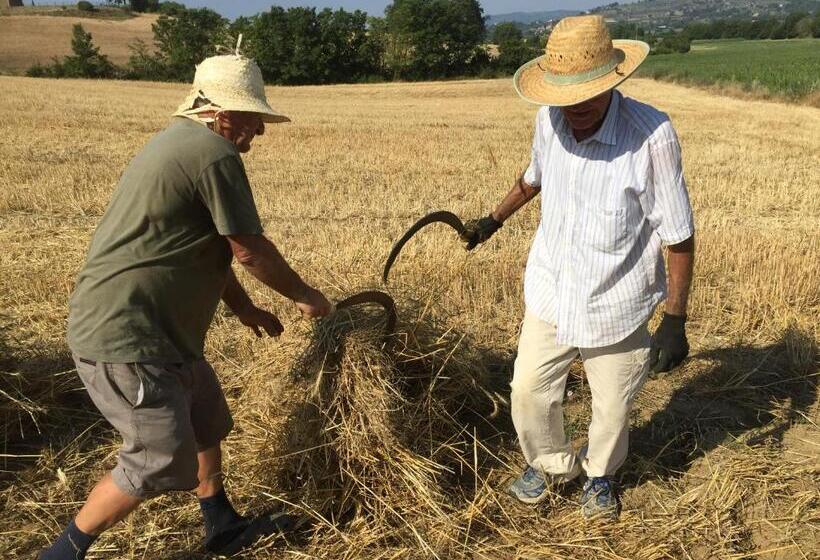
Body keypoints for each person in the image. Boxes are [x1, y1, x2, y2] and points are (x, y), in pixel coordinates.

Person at [39, 48, 333, 560]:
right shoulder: (212, 153)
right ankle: (61, 553)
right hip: (127, 335)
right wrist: (307, 297)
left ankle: (219, 521)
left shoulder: (183, 144)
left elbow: (203, 247)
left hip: (162, 331)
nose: (258, 132)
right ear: (218, 114)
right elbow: (247, 248)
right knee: (157, 461)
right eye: (251, 118)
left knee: (206, 420)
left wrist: (244, 309)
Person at [461, 15, 695, 519]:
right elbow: (533, 179)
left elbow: (678, 235)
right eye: (565, 100)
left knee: (613, 404)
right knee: (528, 389)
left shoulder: (651, 136)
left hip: (617, 296)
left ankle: (600, 476)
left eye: (586, 97)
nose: (575, 110)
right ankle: (548, 465)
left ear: (613, 83)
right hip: (552, 286)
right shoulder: (548, 119)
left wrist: (675, 318)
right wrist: (490, 221)